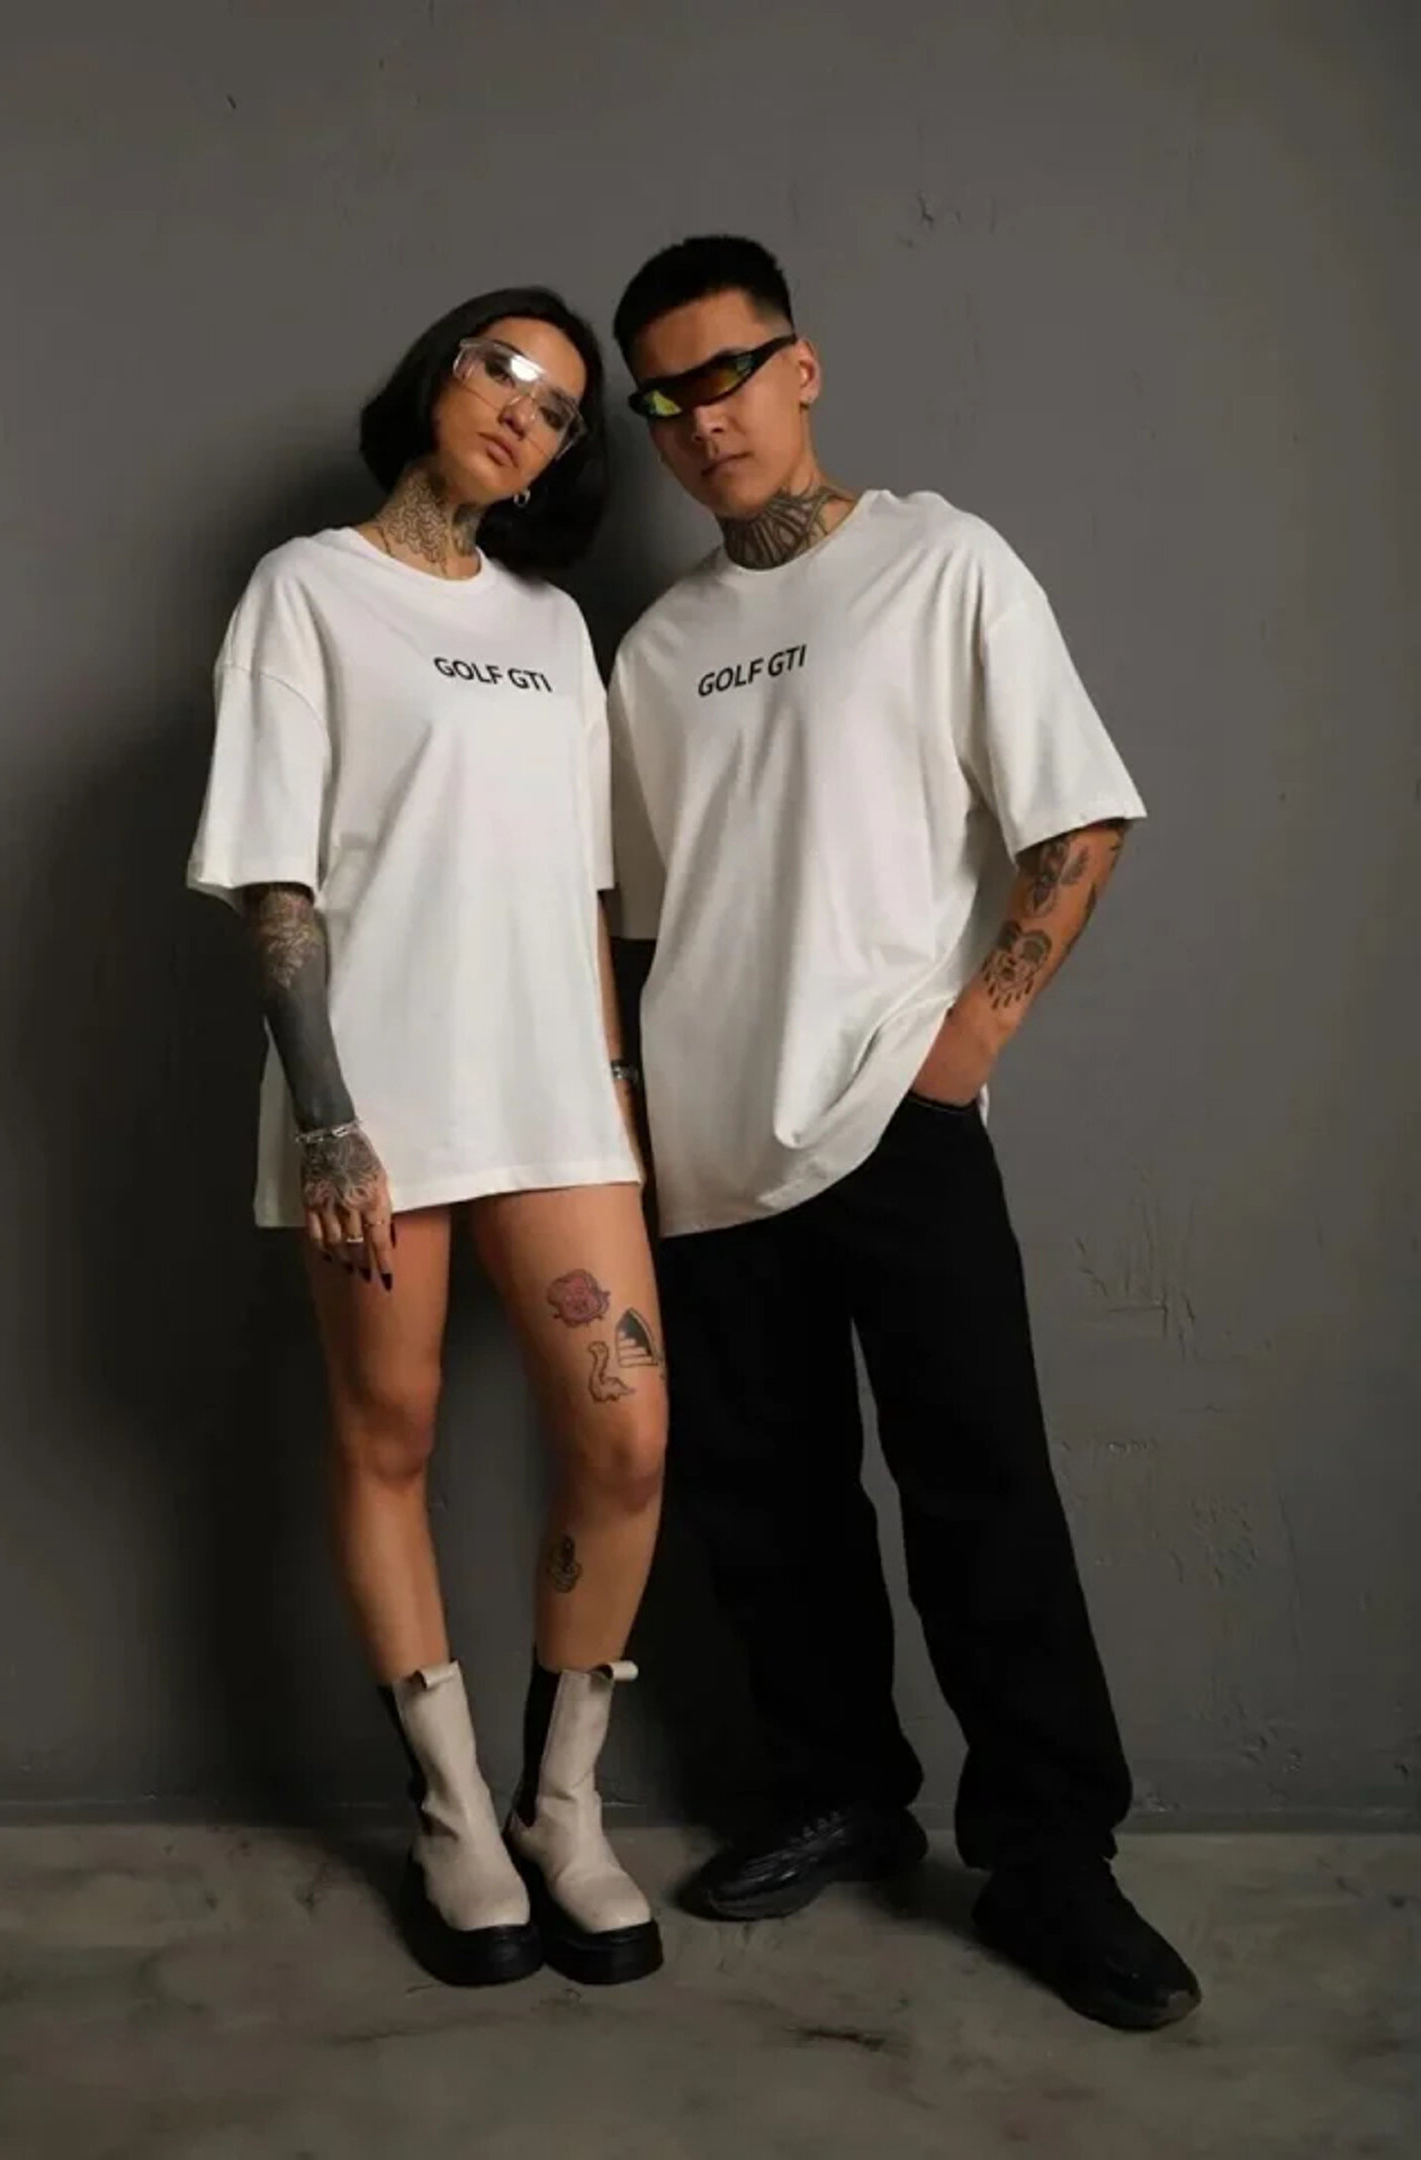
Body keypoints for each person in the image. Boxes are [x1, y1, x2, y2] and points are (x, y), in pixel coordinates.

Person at [606, 235, 1200, 2030]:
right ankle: (839, 1794)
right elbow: (637, 927)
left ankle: (1050, 1860)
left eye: (729, 373)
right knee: (767, 1507)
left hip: (894, 1114)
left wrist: (963, 1051)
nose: (703, 419)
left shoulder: (943, 563)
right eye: (665, 397)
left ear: (802, 367)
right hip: (705, 1151)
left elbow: (1075, 825)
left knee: (980, 1490)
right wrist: (635, 1127)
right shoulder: (656, 649)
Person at [187, 288, 666, 1990]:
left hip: (555, 1095)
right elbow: (275, 874)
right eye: (502, 367)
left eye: (561, 408)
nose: (525, 409)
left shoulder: (553, 627)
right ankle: (455, 1812)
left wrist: (613, 1090)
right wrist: (326, 1122)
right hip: (373, 1093)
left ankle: (564, 1807)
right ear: (437, 376)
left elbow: (591, 887)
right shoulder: (307, 590)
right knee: (386, 1436)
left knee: (625, 1440)